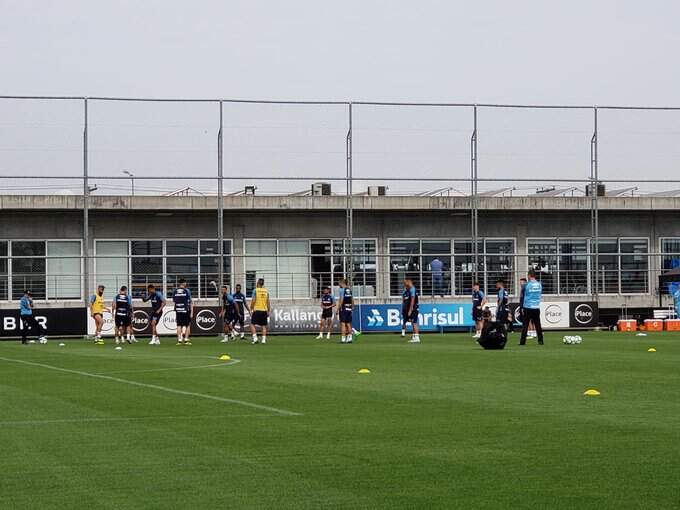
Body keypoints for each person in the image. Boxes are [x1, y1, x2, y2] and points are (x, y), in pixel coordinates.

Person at [520, 270, 544, 345]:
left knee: (525, 325)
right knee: (538, 325)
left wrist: (522, 307)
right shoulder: (539, 284)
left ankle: (522, 341)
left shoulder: (526, 285)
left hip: (528, 307)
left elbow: (522, 295)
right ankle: (540, 341)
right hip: (536, 307)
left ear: (529, 275)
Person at [249, 278, 270, 344]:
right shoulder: (266, 291)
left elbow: (253, 300)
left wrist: (251, 308)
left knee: (252, 324)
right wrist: (268, 311)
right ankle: (263, 340)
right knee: (263, 326)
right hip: (264, 310)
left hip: (257, 309)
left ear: (258, 283)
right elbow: (268, 302)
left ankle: (255, 338)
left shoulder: (255, 290)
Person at [173, 279, 193, 345]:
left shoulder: (175, 291)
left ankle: (179, 340)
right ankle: (186, 339)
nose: (186, 283)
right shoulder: (187, 290)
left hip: (178, 310)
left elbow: (174, 301)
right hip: (185, 310)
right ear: (183, 283)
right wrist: (191, 312)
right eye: (185, 282)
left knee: (179, 325)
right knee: (187, 325)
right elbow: (190, 301)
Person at [401, 278, 421, 343]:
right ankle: (414, 336)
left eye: (406, 286)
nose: (406, 287)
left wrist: (410, 310)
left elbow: (412, 301)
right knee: (413, 322)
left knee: (414, 322)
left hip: (414, 308)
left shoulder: (412, 290)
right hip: (414, 308)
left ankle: (417, 337)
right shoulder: (412, 289)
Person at [337, 279, 354, 344]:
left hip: (343, 308)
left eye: (339, 283)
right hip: (349, 308)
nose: (339, 285)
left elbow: (341, 300)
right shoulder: (349, 290)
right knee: (348, 323)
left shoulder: (342, 290)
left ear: (342, 283)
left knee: (343, 324)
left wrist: (338, 309)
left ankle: (343, 339)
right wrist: (352, 306)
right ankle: (350, 338)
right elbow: (352, 299)